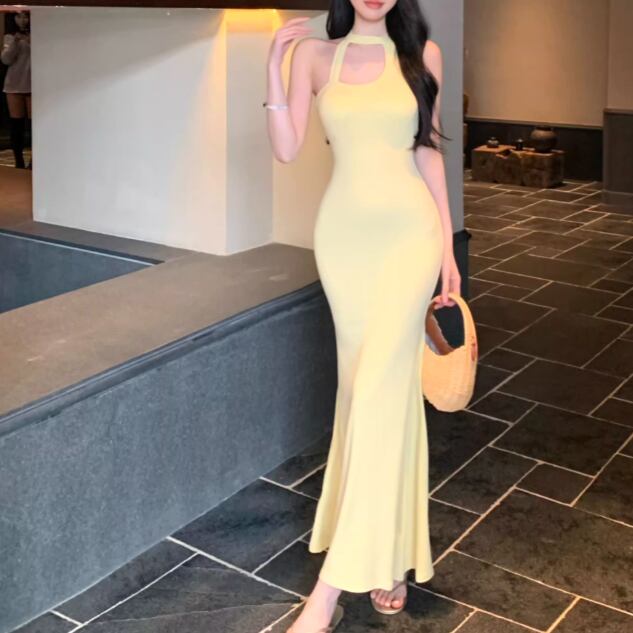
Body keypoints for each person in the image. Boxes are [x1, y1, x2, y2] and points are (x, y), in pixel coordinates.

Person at [264, 1, 461, 630]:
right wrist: (273, 68)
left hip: (409, 237)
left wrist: (447, 247)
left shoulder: (423, 57)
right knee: (369, 395)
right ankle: (390, 555)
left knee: (377, 389)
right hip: (344, 242)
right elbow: (287, 149)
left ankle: (326, 594)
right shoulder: (313, 56)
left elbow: (427, 154)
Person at [2, 10, 31, 169]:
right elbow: (6, 59)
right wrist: (15, 42)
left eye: (26, 16)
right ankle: (18, 161)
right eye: (19, 16)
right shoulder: (10, 37)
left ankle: (34, 160)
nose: (23, 20)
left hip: (34, 83)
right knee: (16, 125)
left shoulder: (38, 35)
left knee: (34, 125)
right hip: (14, 84)